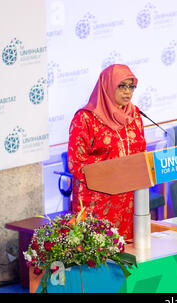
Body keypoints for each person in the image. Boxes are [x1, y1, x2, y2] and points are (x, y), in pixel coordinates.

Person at [67, 64, 146, 240]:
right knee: (98, 254)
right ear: (107, 86)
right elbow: (76, 161)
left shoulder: (134, 116)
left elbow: (141, 153)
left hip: (127, 199)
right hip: (97, 199)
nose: (128, 92)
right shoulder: (85, 118)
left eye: (131, 86)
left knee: (128, 251)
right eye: (121, 86)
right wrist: (108, 177)